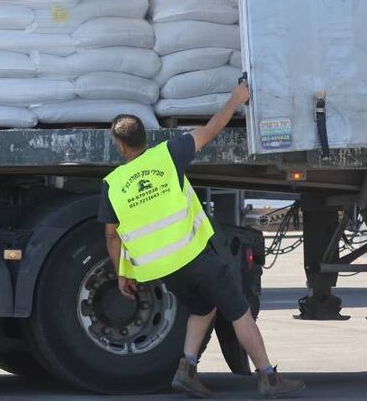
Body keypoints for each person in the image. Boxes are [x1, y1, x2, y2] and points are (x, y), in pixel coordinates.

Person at [97, 84, 305, 399]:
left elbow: (112, 235)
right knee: (239, 311)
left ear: (119, 145)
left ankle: (187, 370)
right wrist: (236, 99)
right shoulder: (168, 155)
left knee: (204, 306)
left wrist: (123, 273)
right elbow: (211, 129)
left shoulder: (112, 185)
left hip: (165, 268)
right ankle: (267, 377)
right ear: (144, 138)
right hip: (196, 256)